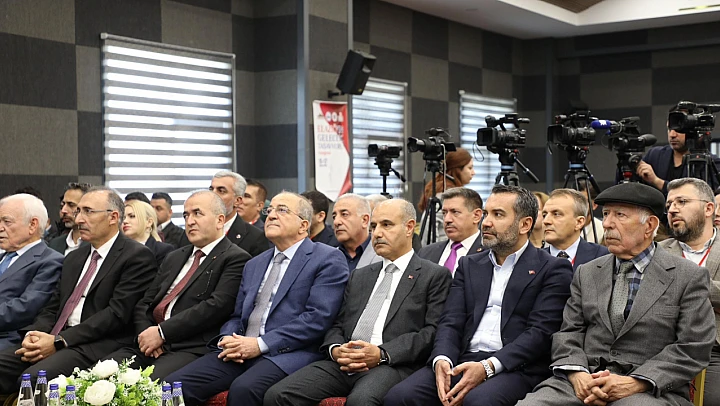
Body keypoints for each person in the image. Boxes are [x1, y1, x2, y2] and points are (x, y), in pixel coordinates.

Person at [519, 182, 716, 406]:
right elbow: (569, 332)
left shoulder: (687, 276)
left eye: (620, 215)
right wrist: (578, 374)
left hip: (649, 389)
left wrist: (636, 382)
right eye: (605, 214)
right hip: (583, 382)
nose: (607, 224)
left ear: (650, 225)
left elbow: (693, 346)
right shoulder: (587, 272)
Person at [384, 185, 573, 406]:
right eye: (486, 213)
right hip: (462, 360)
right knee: (399, 397)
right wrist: (442, 359)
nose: (486, 222)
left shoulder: (552, 268)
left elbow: (539, 333)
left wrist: (488, 366)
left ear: (525, 224)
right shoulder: (470, 264)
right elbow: (450, 321)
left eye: (498, 215)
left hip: (513, 367)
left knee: (478, 402)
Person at [165, 192, 349, 406]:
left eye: (282, 210)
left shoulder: (326, 258)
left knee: (244, 389)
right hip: (241, 349)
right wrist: (229, 339)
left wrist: (260, 344)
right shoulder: (255, 263)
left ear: (303, 225)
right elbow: (237, 315)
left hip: (288, 352)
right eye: (269, 211)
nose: (271, 215)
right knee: (172, 386)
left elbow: (317, 318)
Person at [265, 198, 452, 406]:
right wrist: (336, 349)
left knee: (360, 402)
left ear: (409, 228)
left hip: (391, 364)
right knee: (277, 395)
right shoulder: (361, 275)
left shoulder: (433, 275)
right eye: (374, 226)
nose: (377, 233)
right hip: (344, 362)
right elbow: (337, 323)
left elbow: (431, 332)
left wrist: (382, 354)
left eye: (386, 225)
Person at [0, 187, 157, 392]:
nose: (79, 219)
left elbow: (116, 314)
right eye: (78, 212)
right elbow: (53, 306)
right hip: (56, 338)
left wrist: (60, 341)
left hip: (93, 343)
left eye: (88, 212)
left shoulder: (136, 256)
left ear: (113, 217)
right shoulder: (75, 257)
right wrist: (35, 334)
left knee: (34, 379)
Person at [102, 191, 251, 379]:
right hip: (148, 342)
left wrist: (162, 333)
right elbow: (145, 302)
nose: (190, 221)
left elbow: (215, 307)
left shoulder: (235, 258)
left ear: (220, 220)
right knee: (97, 376)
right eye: (186, 215)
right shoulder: (175, 256)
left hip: (187, 346)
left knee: (146, 386)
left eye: (197, 213)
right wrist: (147, 334)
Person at [659, 178, 720, 404]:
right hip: (663, 349)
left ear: (708, 208)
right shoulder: (656, 252)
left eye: (682, 201)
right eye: (669, 205)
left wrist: (682, 283)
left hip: (715, 350)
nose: (673, 209)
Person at [0, 194, 63, 351]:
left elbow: (26, 307)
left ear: (32, 225)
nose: (0, 227)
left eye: (7, 222)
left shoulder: (50, 261)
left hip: (10, 338)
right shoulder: (3, 256)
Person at [633, 103, 720, 193]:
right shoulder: (655, 155)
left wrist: (656, 181)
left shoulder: (710, 163)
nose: (672, 135)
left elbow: (699, 196)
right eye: (670, 129)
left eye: (678, 130)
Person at [417, 187, 483, 275]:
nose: (447, 219)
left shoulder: (491, 254)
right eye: (444, 213)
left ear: (476, 216)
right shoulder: (426, 253)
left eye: (455, 212)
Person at [417, 148, 475, 245]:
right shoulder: (446, 194)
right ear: (457, 169)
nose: (473, 172)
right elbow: (429, 225)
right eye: (470, 168)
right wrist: (431, 251)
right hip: (444, 249)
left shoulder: (442, 189)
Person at [542, 189, 609, 271]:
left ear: (579, 222)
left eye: (556, 214)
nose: (546, 221)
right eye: (544, 215)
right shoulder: (532, 260)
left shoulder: (603, 257)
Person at [209, 170, 269, 257]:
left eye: (221, 191)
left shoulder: (256, 237)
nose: (212, 195)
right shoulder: (196, 228)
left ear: (237, 201)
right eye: (211, 189)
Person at [333, 194, 381, 271]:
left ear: (364, 220)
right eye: (334, 217)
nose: (336, 222)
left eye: (344, 214)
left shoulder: (383, 255)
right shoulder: (328, 257)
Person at [122, 200, 174, 267]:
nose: (125, 221)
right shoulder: (118, 250)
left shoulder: (163, 250)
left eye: (132, 216)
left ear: (149, 222)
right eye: (123, 218)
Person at [48, 183, 91, 255]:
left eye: (71, 205)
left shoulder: (96, 244)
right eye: (62, 205)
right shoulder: (54, 244)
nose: (63, 210)